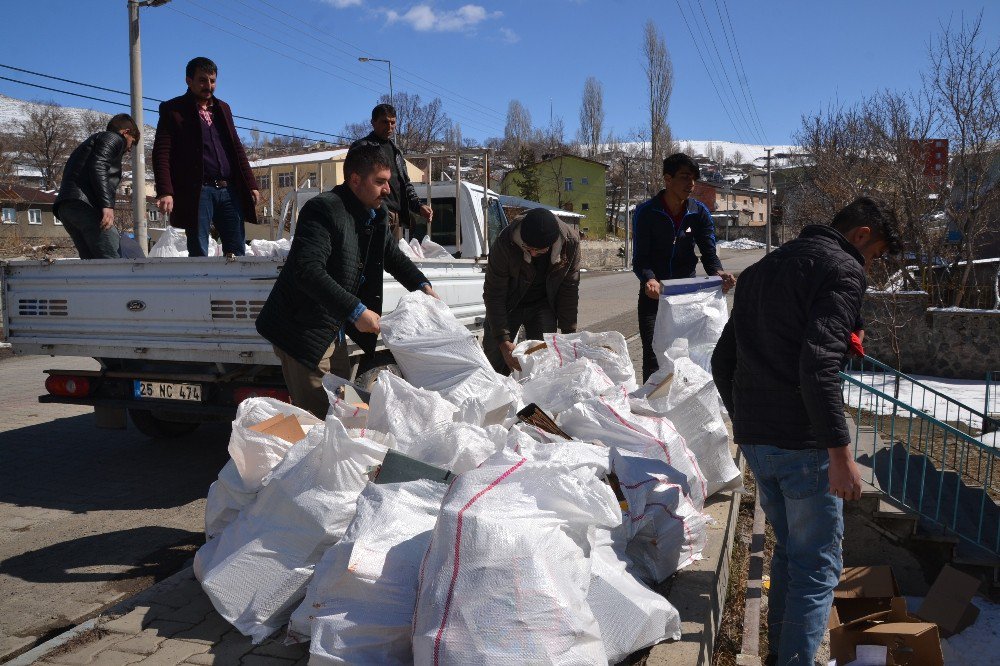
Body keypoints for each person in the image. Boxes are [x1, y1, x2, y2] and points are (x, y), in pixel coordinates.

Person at [711, 197, 901, 666]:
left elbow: (722, 360)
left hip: (758, 439)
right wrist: (841, 455)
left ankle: (782, 655)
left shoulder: (759, 270)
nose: (870, 265)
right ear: (860, 235)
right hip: (804, 445)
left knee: (792, 554)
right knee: (818, 567)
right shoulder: (841, 269)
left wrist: (748, 421)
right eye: (874, 254)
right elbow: (818, 366)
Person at [255, 144, 438, 419]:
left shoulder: (373, 214)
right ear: (355, 180)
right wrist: (356, 310)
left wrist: (423, 287)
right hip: (302, 332)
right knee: (320, 420)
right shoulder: (323, 210)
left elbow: (392, 256)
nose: (387, 189)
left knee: (343, 412)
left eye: (388, 181)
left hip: (333, 329)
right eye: (379, 182)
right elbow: (307, 270)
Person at [633, 153, 736, 382]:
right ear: (667, 179)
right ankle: (652, 411)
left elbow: (709, 253)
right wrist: (649, 278)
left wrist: (718, 274)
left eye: (694, 179)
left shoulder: (698, 212)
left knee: (687, 356)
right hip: (653, 296)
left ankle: (685, 404)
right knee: (654, 355)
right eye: (685, 177)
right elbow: (640, 258)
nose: (691, 184)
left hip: (687, 299)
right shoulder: (647, 212)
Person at [152, 56, 259, 257]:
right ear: (188, 80)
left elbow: (236, 148)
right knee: (199, 249)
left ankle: (234, 288)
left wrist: (250, 183)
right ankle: (201, 288)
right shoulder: (173, 110)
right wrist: (165, 190)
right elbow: (161, 152)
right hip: (198, 191)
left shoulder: (223, 109)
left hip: (229, 190)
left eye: (212, 80)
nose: (208, 86)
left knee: (237, 248)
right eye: (202, 80)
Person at [482, 207, 581, 374]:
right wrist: (503, 342)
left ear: (552, 243)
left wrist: (568, 335)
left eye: (540, 250)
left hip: (543, 304)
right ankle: (498, 396)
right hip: (508, 303)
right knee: (495, 359)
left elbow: (569, 290)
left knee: (542, 359)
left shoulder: (570, 243)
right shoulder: (504, 243)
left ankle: (536, 398)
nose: (534, 253)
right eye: (528, 248)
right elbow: (494, 294)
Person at [54, 114, 139, 259]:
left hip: (66, 208)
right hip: (85, 207)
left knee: (91, 263)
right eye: (132, 141)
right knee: (114, 262)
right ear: (125, 132)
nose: (130, 149)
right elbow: (98, 166)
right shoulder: (113, 138)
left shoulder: (91, 143)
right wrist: (107, 206)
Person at [350, 103, 433, 241]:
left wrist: (419, 206)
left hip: (395, 216)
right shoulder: (362, 147)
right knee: (373, 258)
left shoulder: (396, 152)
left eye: (393, 122)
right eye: (384, 122)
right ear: (373, 122)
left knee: (390, 260)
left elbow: (405, 184)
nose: (389, 127)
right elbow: (354, 183)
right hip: (373, 214)